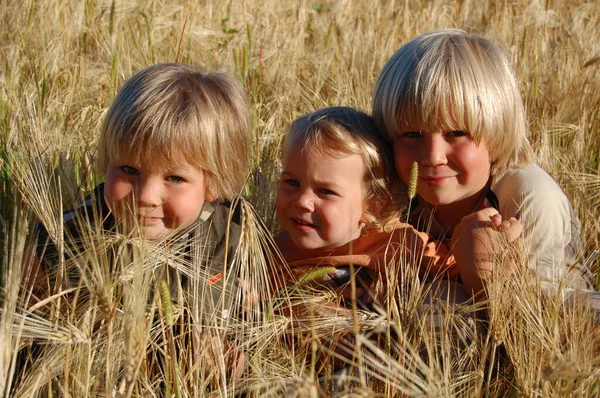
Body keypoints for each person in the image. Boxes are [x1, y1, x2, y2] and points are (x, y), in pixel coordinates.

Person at [25, 63, 266, 383]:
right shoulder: (65, 239)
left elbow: (262, 324)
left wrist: (234, 363)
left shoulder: (236, 234)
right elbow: (26, 327)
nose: (147, 196)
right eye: (129, 170)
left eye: (175, 178)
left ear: (214, 185)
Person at [371, 28, 593, 296]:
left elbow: (538, 320)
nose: (432, 156)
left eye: (457, 133)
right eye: (411, 134)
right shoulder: (389, 190)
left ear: (498, 130)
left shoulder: (529, 196)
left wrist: (485, 278)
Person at [274, 106, 457, 313]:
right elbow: (256, 305)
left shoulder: (399, 241)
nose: (302, 201)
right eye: (292, 182)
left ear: (372, 206)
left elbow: (457, 270)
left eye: (325, 191)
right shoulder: (275, 254)